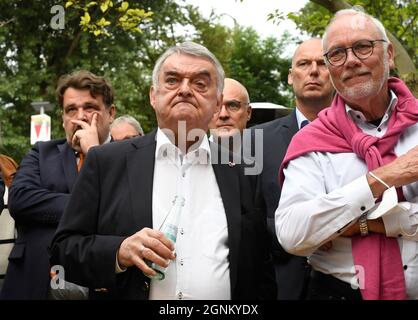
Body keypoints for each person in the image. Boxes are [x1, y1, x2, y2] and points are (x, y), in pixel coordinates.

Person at [50, 42, 276, 300]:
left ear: (218, 103)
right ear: (153, 96)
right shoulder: (106, 162)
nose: (185, 90)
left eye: (200, 83)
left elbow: (260, 271)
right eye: (172, 80)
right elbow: (63, 250)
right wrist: (119, 251)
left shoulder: (243, 172)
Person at [276, 9, 418, 300]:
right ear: (330, 68)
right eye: (337, 54)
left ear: (389, 54)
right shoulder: (311, 139)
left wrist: (359, 223)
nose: (351, 61)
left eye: (363, 47)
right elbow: (293, 233)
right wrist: (381, 179)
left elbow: (316, 225)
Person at [0, 70, 116, 299]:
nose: (79, 117)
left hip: (100, 286)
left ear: (110, 113)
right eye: (71, 109)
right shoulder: (41, 153)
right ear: (63, 117)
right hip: (34, 283)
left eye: (89, 107)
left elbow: (121, 211)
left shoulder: (128, 157)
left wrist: (94, 154)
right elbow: (21, 200)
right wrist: (91, 206)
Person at [252, 38, 334, 299]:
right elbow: (244, 216)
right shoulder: (254, 141)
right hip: (276, 284)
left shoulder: (362, 138)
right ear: (290, 76)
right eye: (303, 63)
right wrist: (303, 232)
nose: (313, 70)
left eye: (322, 63)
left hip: (346, 282)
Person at [209, 78, 252, 154]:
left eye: (233, 106)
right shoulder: (187, 159)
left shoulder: (270, 156)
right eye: (215, 106)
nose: (223, 114)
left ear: (248, 112)